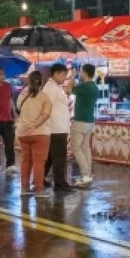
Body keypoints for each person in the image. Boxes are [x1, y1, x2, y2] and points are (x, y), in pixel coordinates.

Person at [15, 71, 53, 197]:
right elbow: (46, 114)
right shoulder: (44, 97)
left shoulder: (22, 96)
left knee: (26, 161)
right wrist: (35, 125)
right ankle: (39, 190)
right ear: (41, 82)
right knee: (39, 162)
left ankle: (24, 189)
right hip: (40, 133)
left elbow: (18, 109)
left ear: (28, 82)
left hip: (23, 133)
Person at [43, 63, 73, 191]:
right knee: (59, 156)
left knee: (50, 156)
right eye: (63, 75)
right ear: (55, 74)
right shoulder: (50, 88)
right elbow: (46, 107)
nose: (64, 78)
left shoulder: (55, 87)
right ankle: (60, 182)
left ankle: (40, 178)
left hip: (58, 127)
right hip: (56, 128)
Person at [70, 63, 99, 187]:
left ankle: (85, 174)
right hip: (90, 121)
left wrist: (72, 76)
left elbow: (70, 89)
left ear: (86, 73)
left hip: (80, 121)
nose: (81, 74)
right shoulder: (94, 88)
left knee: (76, 147)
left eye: (81, 72)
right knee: (86, 147)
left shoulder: (84, 87)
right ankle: (87, 174)